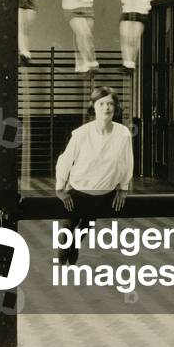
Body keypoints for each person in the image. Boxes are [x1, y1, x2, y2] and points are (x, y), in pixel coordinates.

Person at [55, 86, 133, 264]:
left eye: (110, 104)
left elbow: (127, 162)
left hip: (104, 194)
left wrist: (123, 188)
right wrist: (60, 188)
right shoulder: (82, 134)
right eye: (102, 103)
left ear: (116, 107)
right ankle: (63, 252)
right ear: (94, 107)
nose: (106, 108)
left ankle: (75, 244)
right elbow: (65, 160)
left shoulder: (123, 134)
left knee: (85, 226)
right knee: (67, 228)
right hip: (78, 190)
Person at [59, 0, 97, 75]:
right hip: (71, 8)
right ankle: (89, 61)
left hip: (87, 7)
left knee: (86, 37)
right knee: (83, 34)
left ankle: (81, 64)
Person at [119, 0, 153, 70]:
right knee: (125, 39)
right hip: (128, 12)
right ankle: (126, 62)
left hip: (140, 13)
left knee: (133, 39)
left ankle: (131, 62)